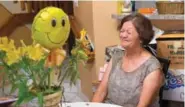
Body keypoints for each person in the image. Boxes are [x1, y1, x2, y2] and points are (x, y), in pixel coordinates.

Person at [92, 13, 164, 107]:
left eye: (128, 32)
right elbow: (101, 91)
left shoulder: (152, 67)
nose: (123, 35)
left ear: (141, 38)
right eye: (122, 31)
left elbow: (142, 105)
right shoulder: (116, 57)